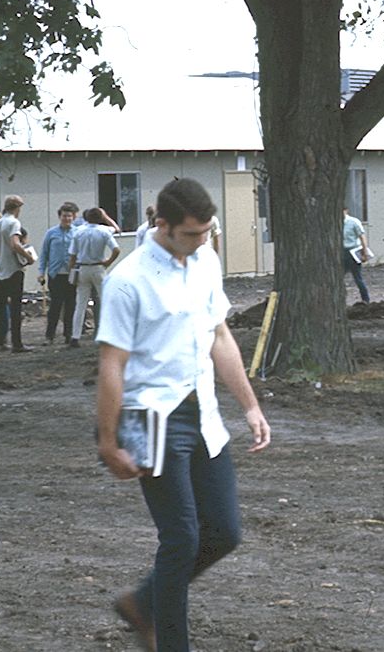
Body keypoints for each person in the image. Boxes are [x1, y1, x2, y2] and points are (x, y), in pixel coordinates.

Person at [96, 176, 270, 652]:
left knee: (225, 532)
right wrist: (108, 440)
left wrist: (250, 405)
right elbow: (112, 363)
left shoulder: (206, 260)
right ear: (162, 225)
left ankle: (142, 603)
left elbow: (220, 337)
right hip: (152, 419)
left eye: (208, 232)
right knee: (181, 539)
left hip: (204, 415)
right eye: (192, 234)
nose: (202, 242)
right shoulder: (127, 280)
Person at [70, 207, 122, 348]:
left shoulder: (78, 231)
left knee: (80, 304)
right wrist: (108, 262)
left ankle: (75, 336)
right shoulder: (104, 231)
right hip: (98, 267)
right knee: (105, 301)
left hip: (82, 267)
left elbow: (73, 255)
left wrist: (72, 270)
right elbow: (116, 245)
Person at [0, 195, 34, 352]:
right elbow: (15, 243)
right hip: (14, 269)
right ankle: (17, 343)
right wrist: (28, 257)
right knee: (15, 307)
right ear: (17, 208)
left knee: (0, 307)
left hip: (0, 268)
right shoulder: (14, 223)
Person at [39, 202, 81, 344]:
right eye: (64, 216)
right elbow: (44, 253)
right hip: (55, 274)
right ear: (59, 216)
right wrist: (41, 272)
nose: (67, 218)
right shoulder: (51, 233)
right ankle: (50, 335)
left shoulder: (77, 232)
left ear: (74, 217)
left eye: (69, 216)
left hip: (72, 274)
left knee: (71, 305)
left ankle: (68, 334)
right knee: (55, 305)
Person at [342, 207, 370, 304]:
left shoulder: (353, 222)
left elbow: (362, 237)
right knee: (339, 276)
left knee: (357, 277)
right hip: (342, 251)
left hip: (353, 251)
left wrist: (364, 252)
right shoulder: (336, 223)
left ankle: (365, 299)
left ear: (346, 210)